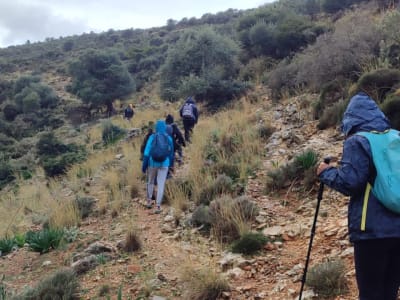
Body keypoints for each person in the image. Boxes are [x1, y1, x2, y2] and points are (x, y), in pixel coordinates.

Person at [316, 91, 400, 300]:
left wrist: (326, 172)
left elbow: (351, 183)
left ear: (351, 119)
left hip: (371, 230)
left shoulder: (358, 141)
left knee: (371, 293)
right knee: (389, 291)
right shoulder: (396, 137)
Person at [141, 120, 174, 214]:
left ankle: (149, 201)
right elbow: (171, 154)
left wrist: (144, 166)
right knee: (161, 184)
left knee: (150, 181)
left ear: (156, 127)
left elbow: (146, 153)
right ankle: (158, 206)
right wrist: (171, 166)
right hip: (164, 163)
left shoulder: (152, 137)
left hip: (152, 163)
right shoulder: (168, 138)